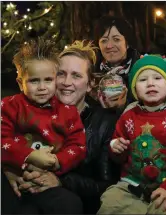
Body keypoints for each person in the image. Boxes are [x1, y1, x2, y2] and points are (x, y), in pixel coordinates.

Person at [4, 40, 120, 214]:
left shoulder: (105, 123)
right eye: (60, 74)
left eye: (76, 75)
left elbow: (107, 186)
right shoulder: (19, 106)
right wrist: (8, 169)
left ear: (90, 85)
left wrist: (60, 180)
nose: (66, 82)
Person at [97, 54, 166, 215]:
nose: (150, 83)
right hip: (130, 186)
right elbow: (117, 155)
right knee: (110, 204)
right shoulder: (128, 116)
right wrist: (116, 148)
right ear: (134, 89)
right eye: (142, 80)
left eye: (157, 78)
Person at [1, 38, 86, 214]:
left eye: (48, 80)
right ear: (20, 83)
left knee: (71, 205)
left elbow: (77, 145)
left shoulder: (67, 111)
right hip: (12, 178)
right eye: (34, 81)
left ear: (56, 80)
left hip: (46, 182)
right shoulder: (9, 106)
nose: (42, 87)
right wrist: (30, 156)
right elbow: (2, 139)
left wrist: (56, 161)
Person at [92, 15, 140, 109]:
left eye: (116, 39)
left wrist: (124, 105)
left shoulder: (141, 71)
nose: (109, 46)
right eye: (104, 41)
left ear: (127, 43)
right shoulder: (92, 73)